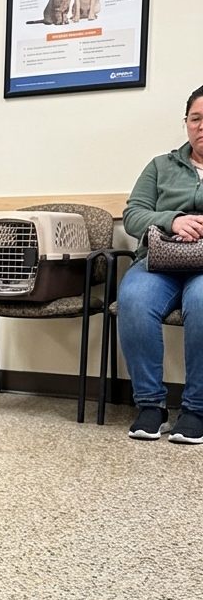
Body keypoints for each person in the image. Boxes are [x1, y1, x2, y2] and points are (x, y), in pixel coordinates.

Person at [118, 84, 203, 444]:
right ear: (185, 123)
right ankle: (151, 404)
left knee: (202, 304)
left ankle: (197, 408)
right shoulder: (160, 166)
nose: (202, 126)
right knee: (134, 299)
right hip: (160, 260)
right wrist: (172, 220)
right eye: (196, 118)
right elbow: (132, 215)